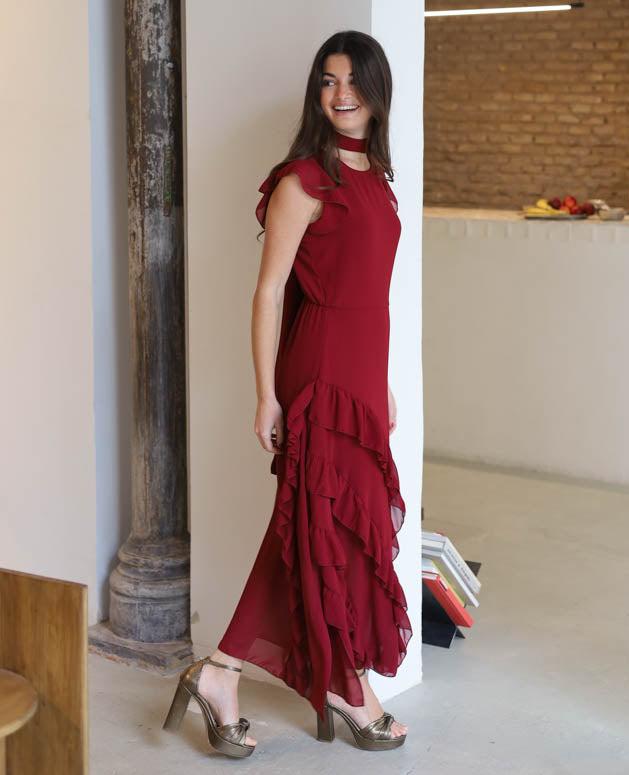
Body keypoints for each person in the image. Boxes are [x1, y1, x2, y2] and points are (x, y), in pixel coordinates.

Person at [163, 30, 412, 758]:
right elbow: (270, 292)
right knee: (317, 526)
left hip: (360, 377)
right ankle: (336, 685)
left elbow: (371, 294)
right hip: (319, 376)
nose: (341, 94)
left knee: (322, 530)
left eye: (353, 80)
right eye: (328, 81)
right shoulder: (305, 179)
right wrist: (266, 395)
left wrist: (383, 380)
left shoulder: (377, 178)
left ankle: (232, 673)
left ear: (377, 90)